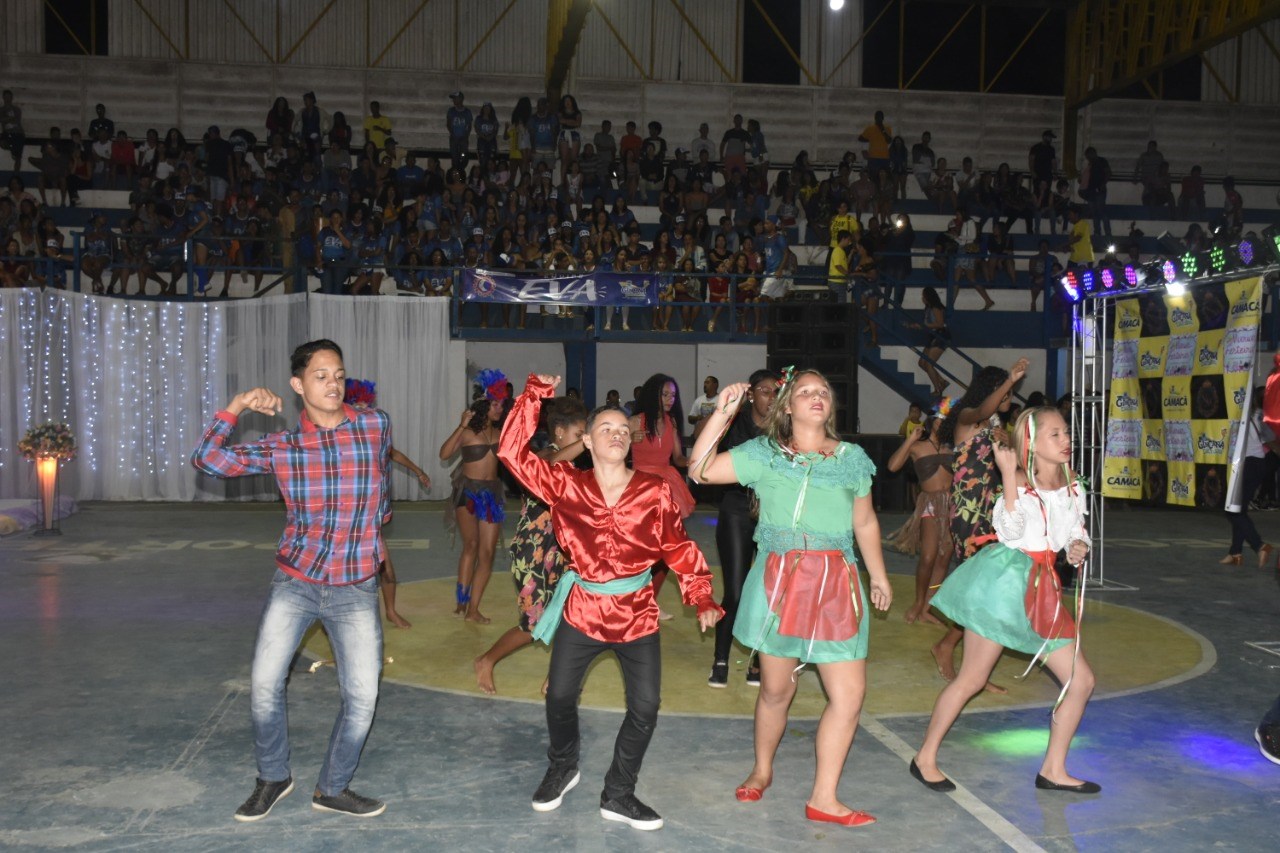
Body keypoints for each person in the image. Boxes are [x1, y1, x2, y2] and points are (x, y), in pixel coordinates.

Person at [498, 373, 723, 831]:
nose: (618, 435)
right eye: (607, 429)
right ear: (587, 440)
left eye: (624, 430)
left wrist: (701, 595)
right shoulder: (565, 484)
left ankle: (618, 792)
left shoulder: (654, 491)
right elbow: (510, 453)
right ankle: (563, 766)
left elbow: (678, 548)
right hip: (582, 610)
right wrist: (534, 395)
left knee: (646, 707)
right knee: (559, 697)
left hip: (637, 613)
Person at [190, 339, 391, 821]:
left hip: (356, 586)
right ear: (298, 385)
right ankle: (273, 777)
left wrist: (373, 529)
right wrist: (236, 406)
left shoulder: (374, 424)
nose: (333, 384)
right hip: (296, 582)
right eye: (321, 376)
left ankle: (333, 787)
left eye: (339, 374)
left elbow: (381, 483)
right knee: (264, 684)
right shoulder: (283, 446)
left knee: (362, 696)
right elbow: (207, 460)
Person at [689, 368, 892, 827]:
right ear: (788, 406)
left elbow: (865, 522)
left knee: (849, 695)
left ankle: (824, 796)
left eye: (823, 390)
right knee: (777, 691)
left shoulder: (853, 458)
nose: (816, 396)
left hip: (838, 584)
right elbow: (699, 470)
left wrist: (878, 576)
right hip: (780, 583)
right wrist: (722, 414)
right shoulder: (765, 454)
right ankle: (762, 769)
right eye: (805, 392)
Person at [912, 406, 1097, 795]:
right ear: (1031, 442)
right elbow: (1009, 531)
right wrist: (1010, 481)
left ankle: (1053, 769)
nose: (1066, 440)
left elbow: (1074, 532)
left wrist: (1078, 546)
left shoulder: (1073, 483)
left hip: (1043, 588)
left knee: (1081, 682)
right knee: (972, 679)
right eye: (1056, 434)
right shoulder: (1017, 480)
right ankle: (925, 757)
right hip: (1003, 584)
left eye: (1066, 433)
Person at [474, 397, 587, 695]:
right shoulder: (542, 457)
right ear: (559, 433)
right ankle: (486, 660)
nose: (583, 441)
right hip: (533, 551)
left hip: (561, 551)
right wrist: (587, 443)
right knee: (534, 626)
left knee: (569, 617)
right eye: (579, 435)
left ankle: (555, 679)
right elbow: (552, 464)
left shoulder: (573, 466)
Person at [933, 360, 1028, 687]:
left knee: (986, 591)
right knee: (981, 590)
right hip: (969, 514)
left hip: (993, 511)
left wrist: (1009, 441)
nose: (1009, 396)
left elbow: (1010, 466)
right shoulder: (967, 416)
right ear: (991, 389)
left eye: (1012, 391)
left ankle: (971, 665)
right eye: (1005, 391)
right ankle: (948, 648)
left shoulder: (995, 423)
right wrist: (1009, 379)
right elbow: (985, 407)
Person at [705, 369, 780, 688]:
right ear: (752, 394)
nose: (771, 398)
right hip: (737, 509)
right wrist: (724, 412)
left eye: (777, 392)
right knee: (735, 591)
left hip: (772, 514)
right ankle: (720, 658)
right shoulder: (736, 421)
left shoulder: (785, 428)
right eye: (765, 391)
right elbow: (707, 454)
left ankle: (756, 661)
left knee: (767, 592)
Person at [342, 378, 431, 628]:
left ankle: (390, 611)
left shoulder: (376, 435)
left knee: (386, 569)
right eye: (356, 404)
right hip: (347, 518)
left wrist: (417, 470)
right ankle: (343, 618)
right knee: (348, 574)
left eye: (365, 404)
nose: (363, 409)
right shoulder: (341, 438)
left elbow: (393, 453)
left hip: (372, 517)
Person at [438, 369, 509, 623]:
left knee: (487, 553)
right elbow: (444, 454)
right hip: (467, 493)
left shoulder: (502, 434)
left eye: (502, 405)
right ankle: (462, 598)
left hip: (492, 495)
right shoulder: (467, 433)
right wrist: (461, 425)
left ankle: (473, 609)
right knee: (471, 545)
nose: (500, 409)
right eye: (495, 404)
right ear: (484, 406)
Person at [629, 374, 693, 613]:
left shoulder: (672, 423)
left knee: (669, 550)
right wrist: (626, 440)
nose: (670, 399)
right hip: (640, 488)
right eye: (665, 394)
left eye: (673, 395)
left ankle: (649, 601)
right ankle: (635, 599)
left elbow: (677, 458)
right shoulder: (635, 421)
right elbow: (606, 447)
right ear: (653, 394)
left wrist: (694, 462)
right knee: (641, 550)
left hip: (667, 485)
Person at [886, 413, 954, 624]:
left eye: (947, 420)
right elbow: (892, 466)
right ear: (931, 421)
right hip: (931, 504)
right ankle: (918, 602)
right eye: (939, 419)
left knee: (944, 559)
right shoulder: (918, 446)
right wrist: (910, 439)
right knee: (928, 557)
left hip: (953, 504)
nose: (942, 423)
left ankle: (928, 607)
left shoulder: (952, 446)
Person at [1220, 390, 1276, 567]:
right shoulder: (1256, 416)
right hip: (1255, 464)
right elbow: (1269, 437)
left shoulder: (1249, 418)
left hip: (1250, 465)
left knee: (1233, 511)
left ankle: (1260, 546)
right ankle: (1235, 553)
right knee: (1239, 509)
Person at [908, 287, 950, 396]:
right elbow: (929, 324)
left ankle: (938, 389)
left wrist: (923, 325)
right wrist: (918, 326)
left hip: (940, 335)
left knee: (929, 364)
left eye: (923, 296)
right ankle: (942, 381)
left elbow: (940, 324)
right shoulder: (928, 308)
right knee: (922, 363)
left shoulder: (936, 307)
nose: (922, 298)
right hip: (932, 336)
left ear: (928, 297)